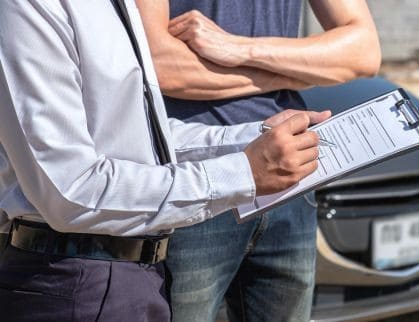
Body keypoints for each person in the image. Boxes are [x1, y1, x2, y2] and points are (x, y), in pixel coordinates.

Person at [0, 1, 330, 321]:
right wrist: (242, 173)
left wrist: (253, 138)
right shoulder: (28, 6)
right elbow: (71, 191)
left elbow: (144, 138)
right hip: (70, 279)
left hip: (140, 278)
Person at [136, 0, 381, 321]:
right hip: (195, 177)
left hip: (291, 175)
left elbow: (362, 52)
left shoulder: (242, 51)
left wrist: (242, 50)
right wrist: (294, 75)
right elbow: (159, 64)